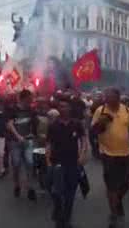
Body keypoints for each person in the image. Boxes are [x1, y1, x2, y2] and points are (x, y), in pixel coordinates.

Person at [91, 88, 129, 228]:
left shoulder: (126, 110)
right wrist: (101, 123)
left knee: (127, 183)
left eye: (111, 97)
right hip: (108, 154)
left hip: (126, 153)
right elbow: (93, 131)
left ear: (118, 98)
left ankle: (117, 201)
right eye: (106, 97)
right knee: (112, 186)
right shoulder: (100, 110)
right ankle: (113, 213)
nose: (107, 99)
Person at [46, 97, 87, 228]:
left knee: (70, 193)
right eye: (61, 106)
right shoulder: (53, 125)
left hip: (73, 163)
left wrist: (82, 155)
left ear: (70, 108)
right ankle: (58, 211)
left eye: (66, 106)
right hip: (57, 162)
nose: (63, 109)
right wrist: (47, 160)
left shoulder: (76, 124)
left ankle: (66, 219)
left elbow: (84, 140)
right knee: (57, 192)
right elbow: (48, 144)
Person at [7, 90, 39, 202]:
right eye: (29, 98)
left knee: (30, 163)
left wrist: (32, 135)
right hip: (15, 141)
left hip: (28, 141)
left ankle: (30, 188)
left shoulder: (31, 110)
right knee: (16, 164)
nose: (31, 100)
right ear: (23, 98)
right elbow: (10, 124)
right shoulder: (12, 109)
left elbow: (35, 125)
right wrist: (18, 136)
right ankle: (17, 184)